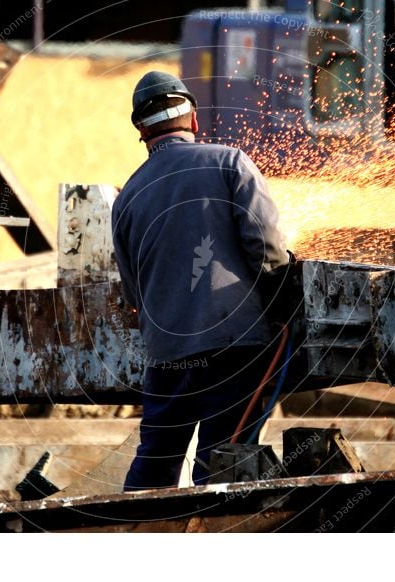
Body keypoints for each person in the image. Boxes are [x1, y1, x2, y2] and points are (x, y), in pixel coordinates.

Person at [111, 71, 292, 490]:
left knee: (155, 460)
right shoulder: (230, 163)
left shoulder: (126, 199)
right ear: (193, 120)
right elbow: (266, 252)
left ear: (141, 130)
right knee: (221, 462)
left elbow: (133, 293)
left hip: (168, 354)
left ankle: (132, 535)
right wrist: (283, 304)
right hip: (234, 346)